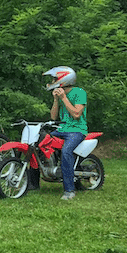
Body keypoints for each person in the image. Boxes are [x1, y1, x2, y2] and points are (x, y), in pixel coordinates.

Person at [45, 66, 87, 201]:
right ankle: (33, 183)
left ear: (63, 79)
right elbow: (53, 117)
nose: (52, 81)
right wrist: (56, 100)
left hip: (77, 130)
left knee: (66, 151)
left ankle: (69, 190)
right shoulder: (60, 95)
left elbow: (76, 114)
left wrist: (63, 98)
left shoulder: (79, 92)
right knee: (39, 143)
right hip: (62, 129)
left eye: (54, 79)